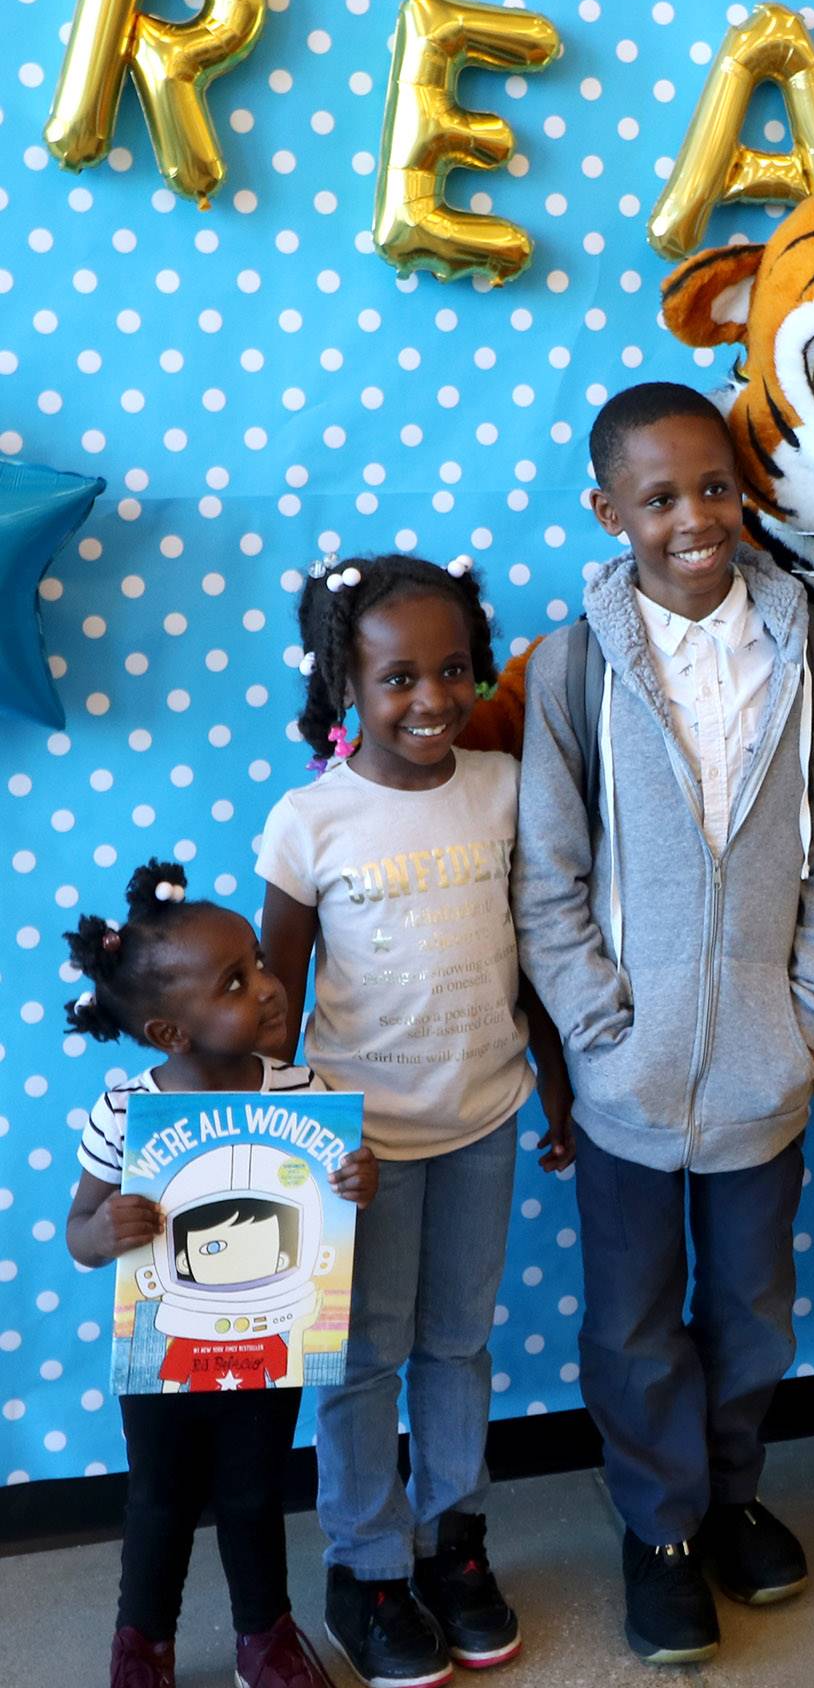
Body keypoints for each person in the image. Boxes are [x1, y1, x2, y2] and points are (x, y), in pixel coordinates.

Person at [512, 381, 814, 1664]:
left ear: (743, 488)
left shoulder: (805, 644)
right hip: (629, 1073)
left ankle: (731, 1498)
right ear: (609, 511)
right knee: (631, 1317)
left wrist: (809, 1009)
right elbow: (548, 875)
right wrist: (597, 1029)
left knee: (753, 1305)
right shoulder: (575, 665)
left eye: (714, 486)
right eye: (660, 497)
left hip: (764, 1068)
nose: (694, 517)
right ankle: (658, 1527)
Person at [258, 552, 571, 1688]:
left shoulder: (501, 787)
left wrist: (562, 1085)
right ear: (346, 682)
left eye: (452, 671)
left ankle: (455, 1545)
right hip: (359, 1148)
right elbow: (274, 998)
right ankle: (367, 1566)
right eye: (397, 678)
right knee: (361, 1359)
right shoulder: (310, 822)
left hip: (485, 1116)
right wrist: (274, 1147)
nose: (430, 699)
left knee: (457, 1346)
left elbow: (531, 956)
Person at [65, 857, 378, 1688]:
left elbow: (332, 1202)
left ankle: (264, 1635)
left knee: (253, 1492)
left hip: (267, 1342)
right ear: (170, 1033)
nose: (271, 988)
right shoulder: (125, 1114)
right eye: (237, 982)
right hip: (165, 1350)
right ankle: (144, 1643)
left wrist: (359, 1180)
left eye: (262, 964)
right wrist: (104, 1228)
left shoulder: (304, 1089)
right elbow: (77, 1235)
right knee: (160, 1501)